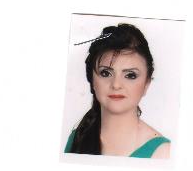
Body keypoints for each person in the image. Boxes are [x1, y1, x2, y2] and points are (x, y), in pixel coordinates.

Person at [64, 23, 171, 158]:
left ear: (146, 84)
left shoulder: (163, 153)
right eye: (105, 73)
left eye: (130, 75)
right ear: (92, 80)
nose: (116, 85)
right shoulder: (77, 138)